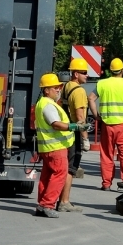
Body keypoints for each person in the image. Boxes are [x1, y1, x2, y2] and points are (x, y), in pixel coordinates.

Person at [34, 73, 85, 218]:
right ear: (46, 90)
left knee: (47, 176)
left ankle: (41, 205)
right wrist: (74, 126)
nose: (58, 90)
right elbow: (55, 124)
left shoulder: (42, 103)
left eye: (59, 87)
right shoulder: (48, 105)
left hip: (47, 148)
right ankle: (48, 205)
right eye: (55, 87)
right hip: (56, 148)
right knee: (59, 175)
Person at [88, 57, 123, 190]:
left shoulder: (102, 84)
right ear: (122, 70)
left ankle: (106, 183)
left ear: (110, 70)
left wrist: (96, 116)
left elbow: (90, 98)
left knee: (107, 154)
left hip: (107, 124)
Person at [58, 57, 89, 211]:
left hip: (65, 131)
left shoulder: (66, 87)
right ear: (76, 74)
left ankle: (60, 199)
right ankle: (64, 201)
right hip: (74, 133)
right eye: (84, 72)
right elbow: (80, 116)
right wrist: (85, 138)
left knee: (63, 167)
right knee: (71, 168)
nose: (87, 75)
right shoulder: (79, 91)